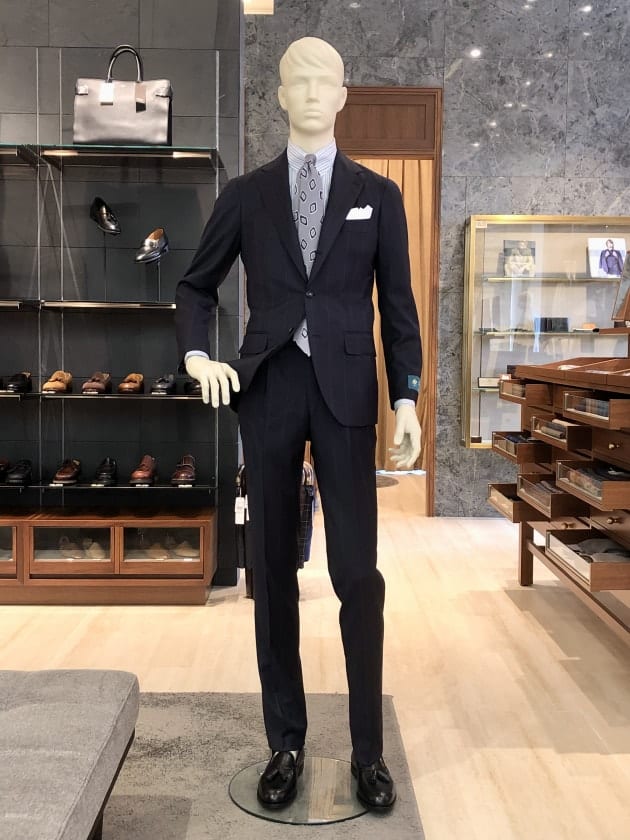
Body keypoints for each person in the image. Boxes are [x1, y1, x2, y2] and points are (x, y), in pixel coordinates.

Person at [175, 36, 422, 811]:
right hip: (270, 386)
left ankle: (368, 753)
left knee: (357, 575)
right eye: (298, 81)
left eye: (326, 80)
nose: (313, 92)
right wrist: (196, 355)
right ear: (279, 95)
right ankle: (284, 742)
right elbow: (196, 286)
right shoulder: (247, 194)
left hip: (347, 392)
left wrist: (407, 397)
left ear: (343, 95)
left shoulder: (378, 194)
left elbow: (399, 308)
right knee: (272, 569)